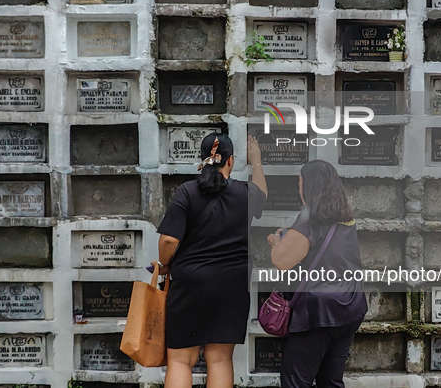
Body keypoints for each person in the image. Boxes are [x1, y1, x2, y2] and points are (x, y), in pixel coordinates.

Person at [154, 133, 267, 388]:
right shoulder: (245, 194)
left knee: (181, 360)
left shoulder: (187, 192)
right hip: (231, 285)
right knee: (219, 359)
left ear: (203, 160)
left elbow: (169, 240)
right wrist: (257, 161)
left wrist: (163, 265)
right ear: (231, 161)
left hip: (191, 284)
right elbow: (263, 194)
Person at [266, 159, 367, 388]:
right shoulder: (345, 217)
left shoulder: (309, 218)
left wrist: (275, 242)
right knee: (330, 381)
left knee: (295, 380)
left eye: (300, 184)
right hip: (350, 305)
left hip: (320, 311)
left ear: (309, 187)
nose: (299, 189)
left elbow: (281, 261)